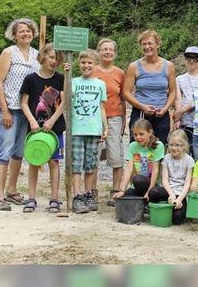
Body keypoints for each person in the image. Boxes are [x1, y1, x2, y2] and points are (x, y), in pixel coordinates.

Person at [0, 18, 41, 210]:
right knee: (4, 150)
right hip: (10, 109)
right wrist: (4, 110)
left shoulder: (37, 55)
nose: (25, 34)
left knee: (19, 152)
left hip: (27, 111)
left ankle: (11, 190)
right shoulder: (8, 53)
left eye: (28, 31)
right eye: (21, 31)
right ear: (14, 35)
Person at [19, 43, 66, 213]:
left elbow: (64, 102)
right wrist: (32, 121)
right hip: (35, 128)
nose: (55, 61)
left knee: (54, 161)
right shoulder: (30, 79)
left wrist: (52, 120)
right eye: (52, 57)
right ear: (43, 56)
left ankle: (54, 199)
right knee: (34, 160)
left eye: (58, 58)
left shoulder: (60, 78)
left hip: (56, 127)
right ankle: (31, 198)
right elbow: (23, 103)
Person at [70, 49, 108, 214]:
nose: (86, 66)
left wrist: (105, 127)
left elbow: (101, 107)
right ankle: (77, 196)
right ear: (79, 64)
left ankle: (88, 194)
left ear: (95, 64)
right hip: (77, 129)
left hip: (94, 129)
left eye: (90, 63)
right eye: (83, 62)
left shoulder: (100, 84)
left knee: (91, 164)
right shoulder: (72, 82)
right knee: (76, 163)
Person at [124, 30, 176, 146]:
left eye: (150, 43)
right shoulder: (134, 66)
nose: (147, 47)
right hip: (140, 113)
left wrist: (165, 109)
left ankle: (158, 165)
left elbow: (172, 92)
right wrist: (142, 106)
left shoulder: (169, 66)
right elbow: (126, 93)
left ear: (158, 44)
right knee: (137, 149)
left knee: (159, 148)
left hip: (161, 114)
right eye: (144, 44)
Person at [92, 38, 126, 207]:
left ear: (115, 53)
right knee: (94, 154)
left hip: (114, 117)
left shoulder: (120, 73)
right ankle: (92, 191)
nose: (107, 52)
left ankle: (116, 191)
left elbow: (123, 98)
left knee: (116, 155)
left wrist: (124, 121)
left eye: (110, 49)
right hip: (94, 118)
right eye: (104, 49)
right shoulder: (92, 70)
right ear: (98, 52)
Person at [112, 118, 165, 204]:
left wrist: (149, 191)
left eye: (141, 134)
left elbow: (155, 170)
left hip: (153, 185)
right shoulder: (133, 146)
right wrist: (122, 190)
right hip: (138, 185)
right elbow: (129, 169)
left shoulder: (158, 146)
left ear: (150, 132)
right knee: (126, 196)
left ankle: (146, 199)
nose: (138, 137)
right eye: (135, 134)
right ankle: (143, 202)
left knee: (140, 180)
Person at [160, 129, 194, 225]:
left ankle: (173, 208)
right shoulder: (166, 158)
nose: (174, 148)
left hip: (181, 193)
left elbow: (187, 184)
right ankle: (163, 205)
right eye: (171, 145)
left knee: (177, 219)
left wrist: (179, 199)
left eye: (177, 145)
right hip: (168, 191)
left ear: (184, 146)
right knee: (153, 193)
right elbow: (164, 180)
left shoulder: (189, 160)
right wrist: (171, 194)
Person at [173, 46, 198, 156]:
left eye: (195, 58)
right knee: (185, 153)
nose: (191, 60)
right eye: (188, 57)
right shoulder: (179, 79)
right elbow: (177, 99)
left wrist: (181, 111)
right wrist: (177, 119)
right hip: (185, 122)